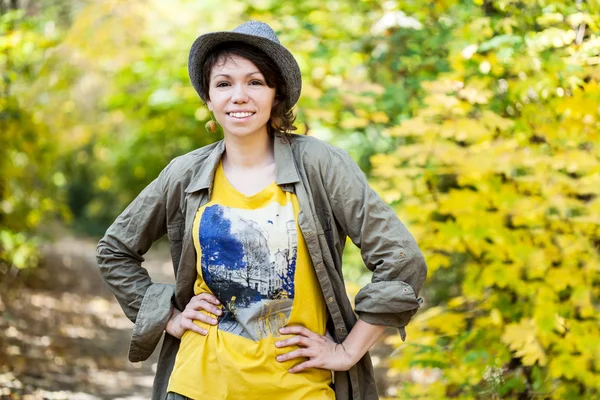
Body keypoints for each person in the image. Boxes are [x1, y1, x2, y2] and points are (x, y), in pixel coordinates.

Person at [97, 21, 427, 400]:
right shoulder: (185, 173)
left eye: (255, 82)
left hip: (300, 387)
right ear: (208, 97)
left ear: (277, 94)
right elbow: (114, 251)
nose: (239, 96)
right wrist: (169, 317)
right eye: (224, 84)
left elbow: (402, 260)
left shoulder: (319, 164)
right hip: (197, 384)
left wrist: (347, 350)